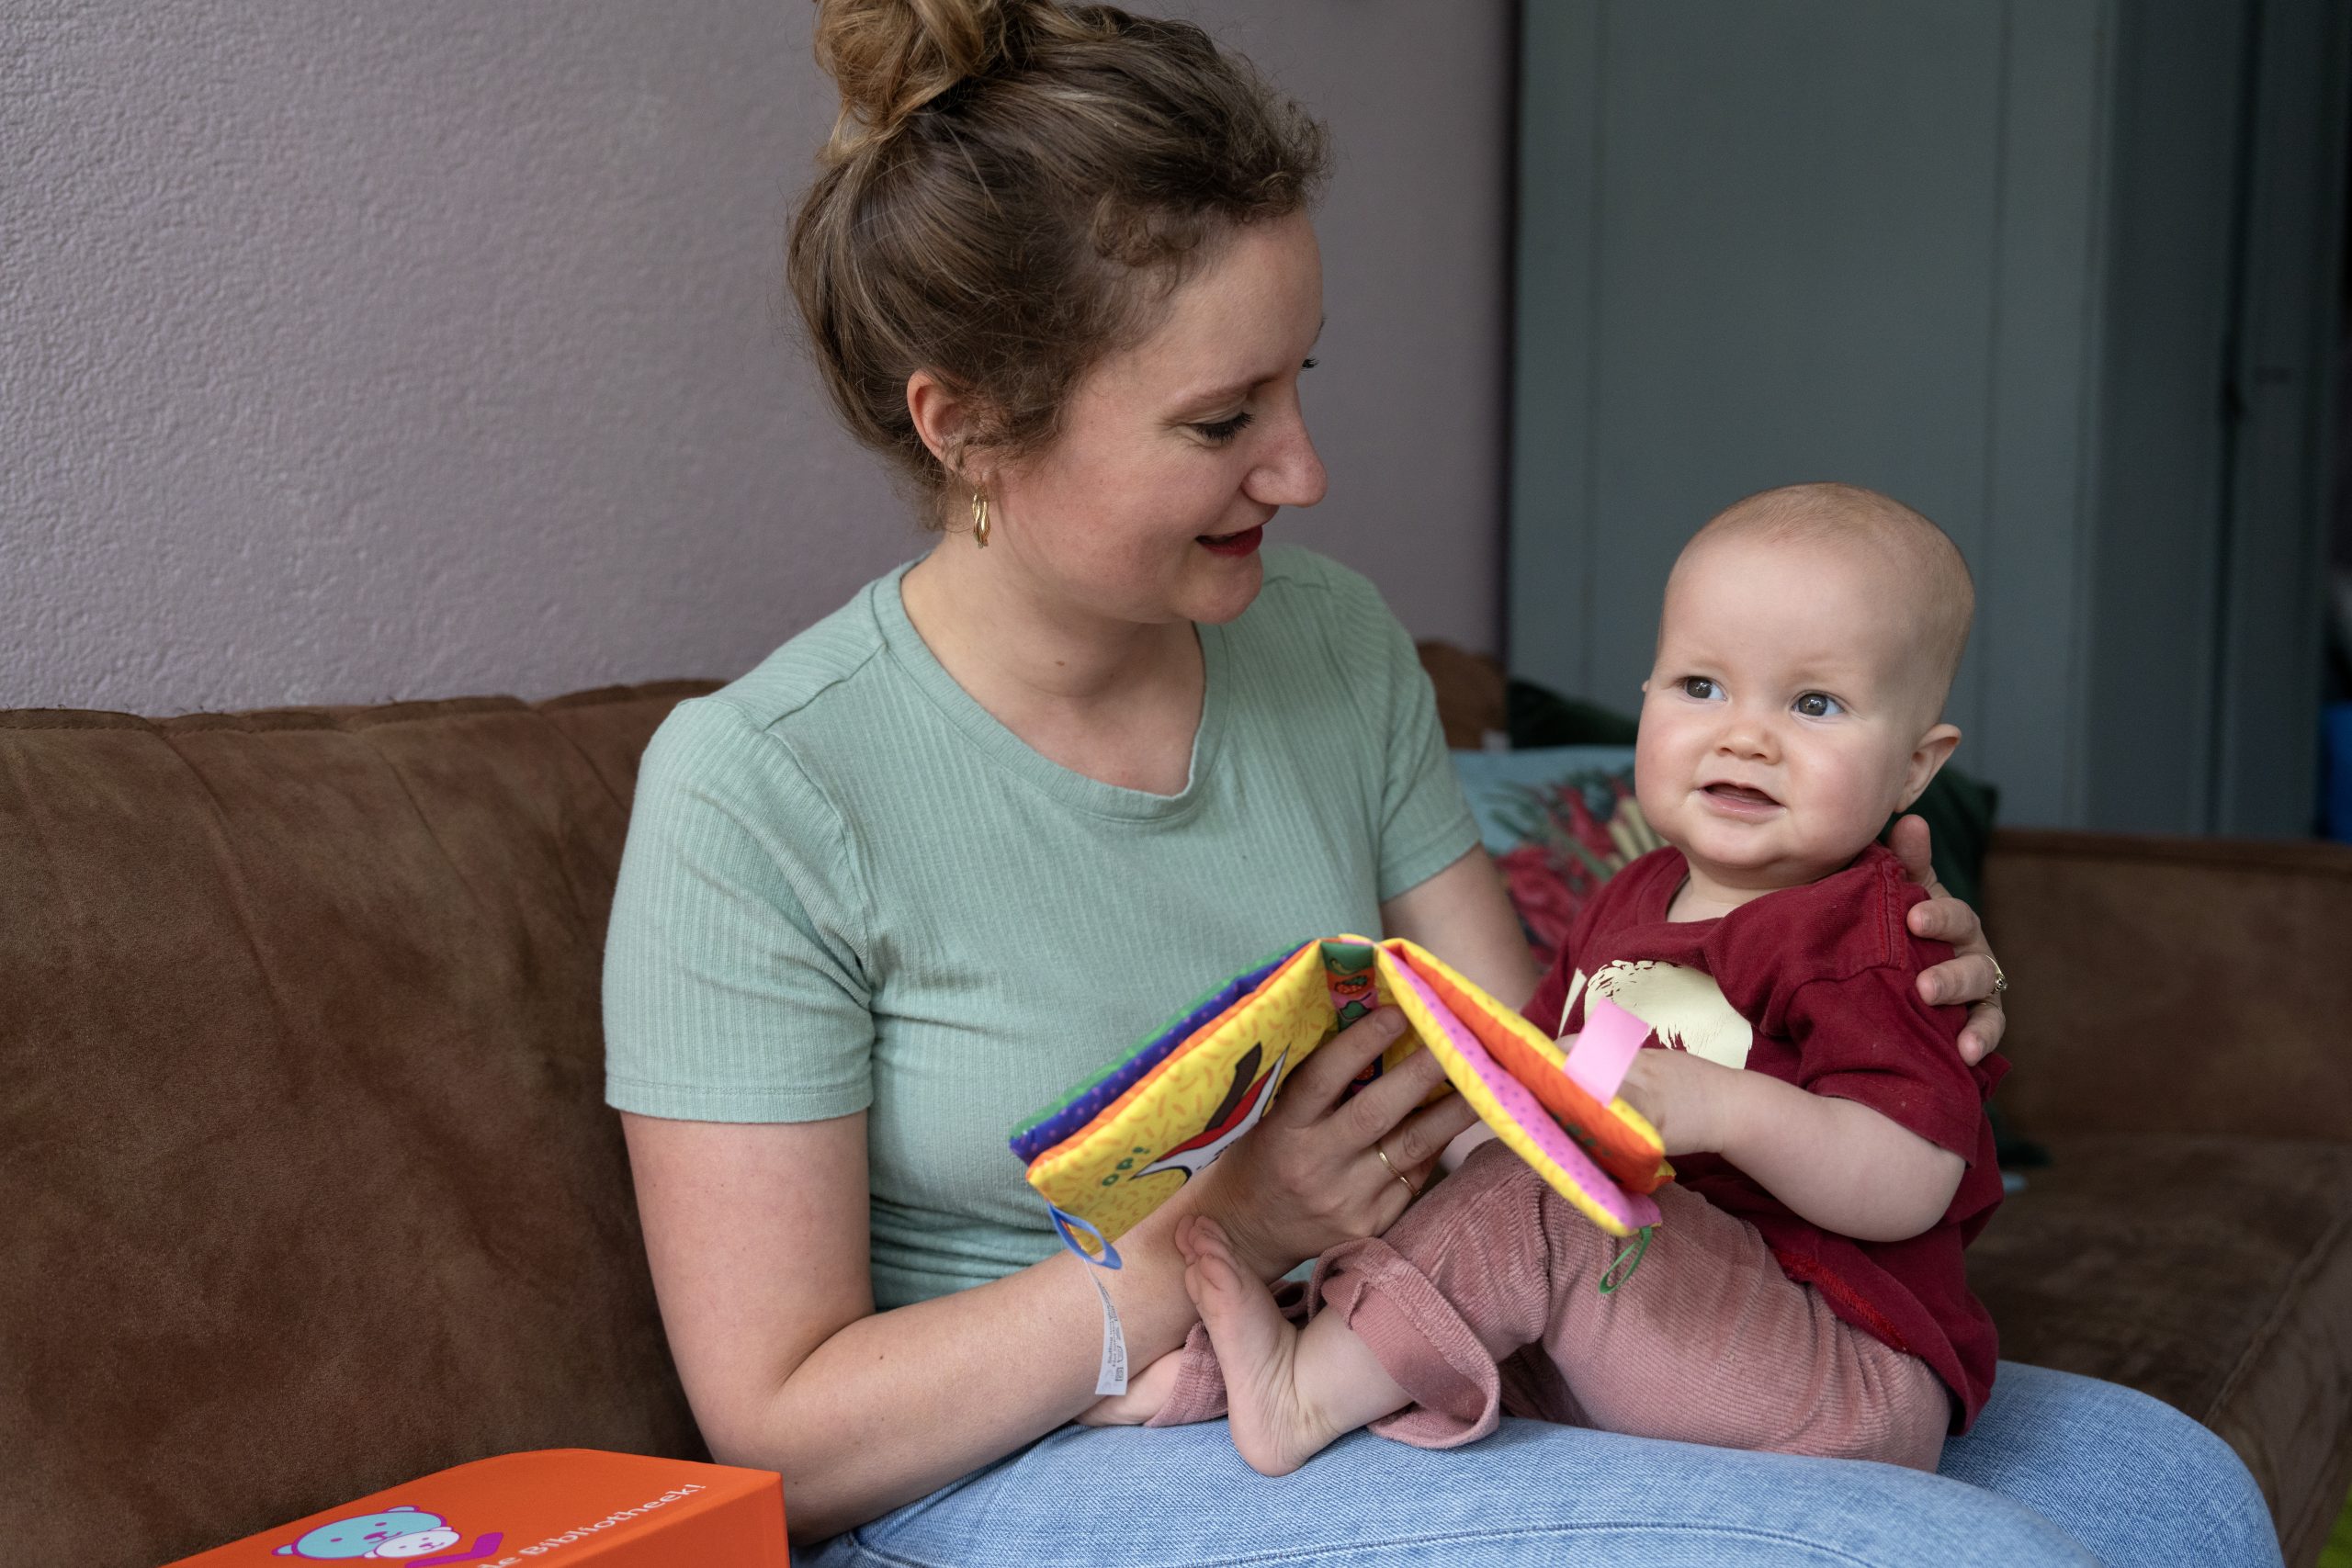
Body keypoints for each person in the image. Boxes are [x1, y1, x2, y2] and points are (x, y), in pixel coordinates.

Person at [601, 3, 2282, 1562]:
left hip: (1435, 1324)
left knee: (2171, 1487)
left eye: (1302, 379)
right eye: (1219, 419)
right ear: (964, 423)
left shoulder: (1325, 641)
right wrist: (1236, 1230)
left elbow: (1543, 1075)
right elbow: (779, 1442)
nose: (1305, 470)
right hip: (1048, 1458)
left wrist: (1835, 950)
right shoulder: (762, 791)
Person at [1132, 485, 2002, 1477]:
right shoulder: (1634, 893)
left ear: (1911, 770)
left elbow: (1912, 1181)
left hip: (1835, 1367)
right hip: (1656, 1321)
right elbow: (1531, 1081)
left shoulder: (1869, 931)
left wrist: (1725, 1109)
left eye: (1814, 704)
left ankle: (1295, 1400)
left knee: (1541, 1206)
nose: (1744, 736)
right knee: (1475, 1227)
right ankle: (1218, 1377)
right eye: (1700, 687)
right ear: (1646, 694)